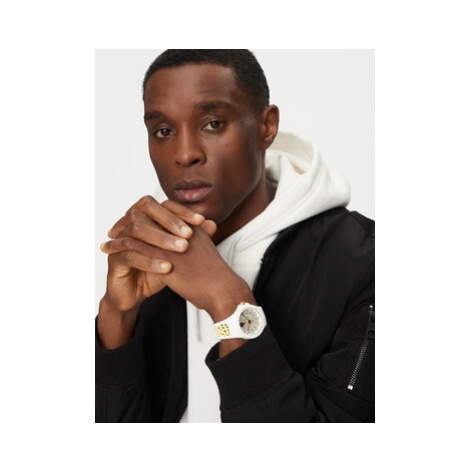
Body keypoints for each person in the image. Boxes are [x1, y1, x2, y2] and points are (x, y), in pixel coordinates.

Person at [95, 49, 375, 423]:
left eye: (212, 124)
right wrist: (116, 316)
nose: (184, 154)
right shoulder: (153, 253)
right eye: (163, 131)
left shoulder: (368, 262)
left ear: (266, 127)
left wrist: (229, 301)